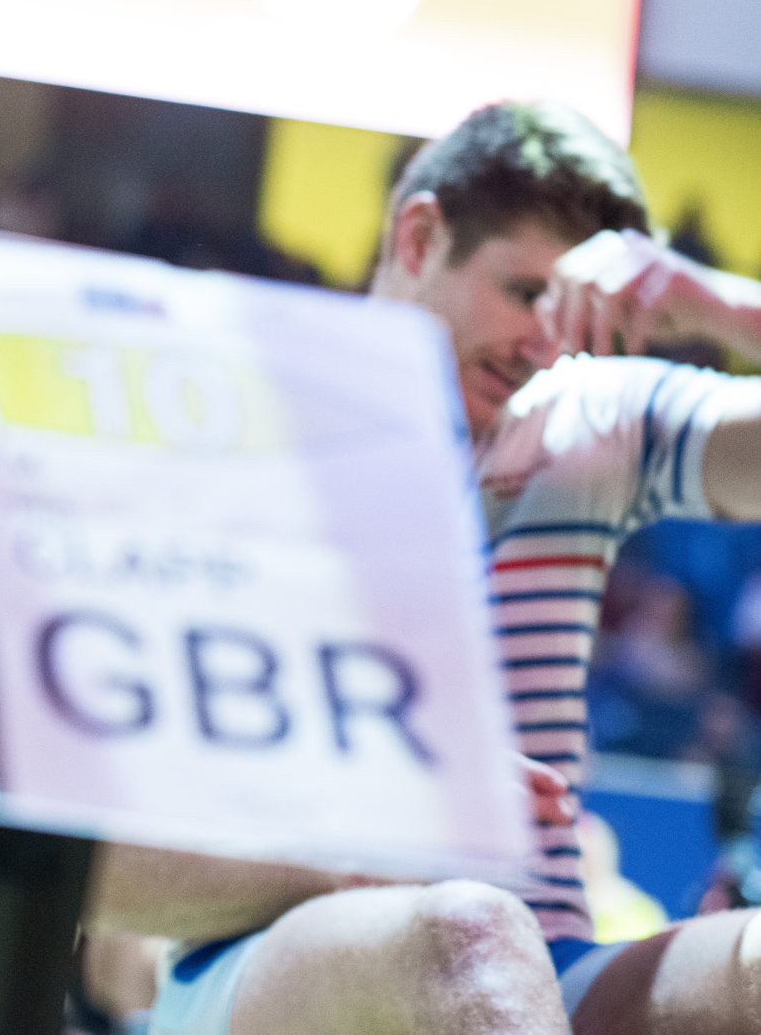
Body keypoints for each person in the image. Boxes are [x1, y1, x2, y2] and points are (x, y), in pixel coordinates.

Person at [88, 100, 761, 1035]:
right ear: (417, 237)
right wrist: (389, 835)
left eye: (569, 312)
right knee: (469, 930)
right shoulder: (215, 410)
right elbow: (92, 874)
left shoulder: (586, 415)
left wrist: (719, 304)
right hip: (265, 952)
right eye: (525, 293)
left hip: (549, 963)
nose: (544, 344)